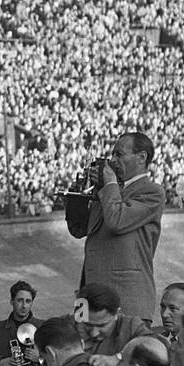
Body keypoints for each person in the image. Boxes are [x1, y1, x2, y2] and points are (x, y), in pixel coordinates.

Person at [71, 132, 165, 322]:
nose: (112, 161)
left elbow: (117, 222)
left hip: (127, 302)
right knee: (82, 349)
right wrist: (79, 194)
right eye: (112, 155)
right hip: (89, 299)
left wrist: (109, 183)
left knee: (127, 352)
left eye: (119, 155)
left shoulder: (152, 192)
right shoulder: (108, 191)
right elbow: (78, 230)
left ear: (141, 157)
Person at [77, 282, 150, 366]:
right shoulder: (68, 325)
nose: (94, 333)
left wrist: (119, 358)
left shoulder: (131, 326)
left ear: (117, 314)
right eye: (88, 325)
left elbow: (158, 346)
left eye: (102, 325)